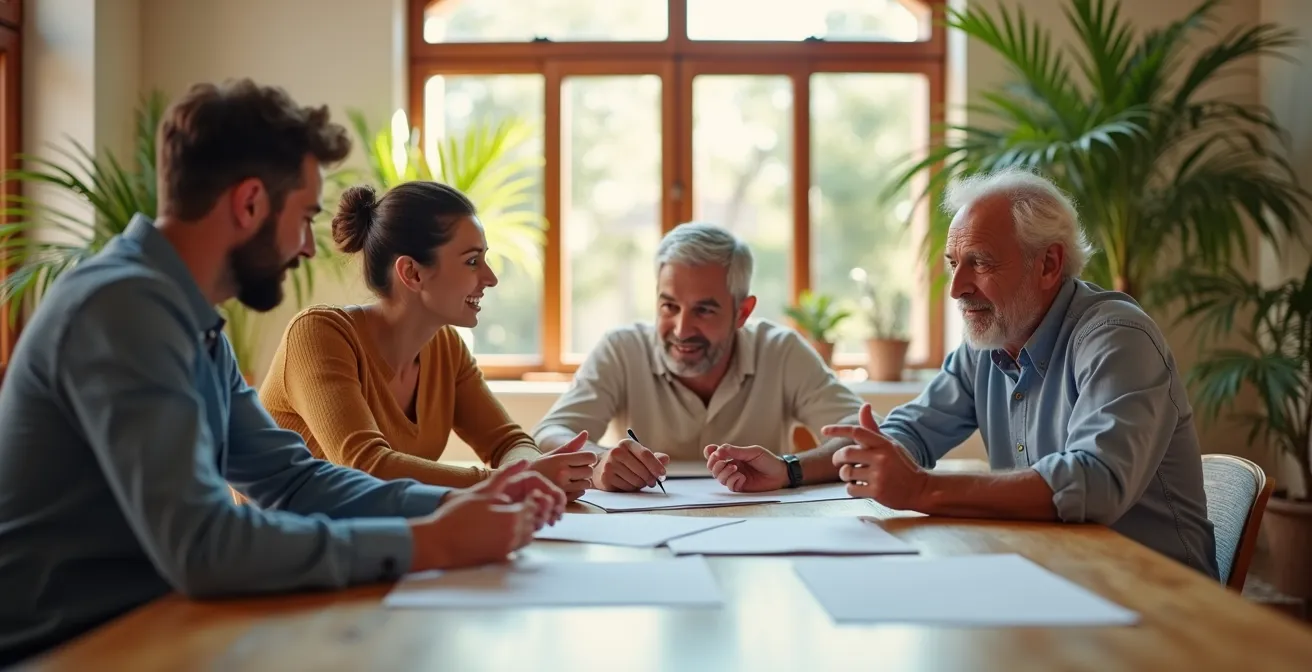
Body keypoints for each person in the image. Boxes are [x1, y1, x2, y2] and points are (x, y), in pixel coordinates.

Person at [0, 79, 565, 665]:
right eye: (304, 217)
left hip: (144, 629)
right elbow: (204, 545)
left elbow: (292, 479)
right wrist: (429, 541)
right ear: (249, 204)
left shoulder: (192, 323)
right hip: (62, 649)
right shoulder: (123, 310)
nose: (307, 248)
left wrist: (452, 505)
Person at [729, 168, 1219, 578]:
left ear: (1048, 264)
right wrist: (790, 470)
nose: (957, 288)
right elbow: (907, 434)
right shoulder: (989, 342)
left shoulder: (1116, 337)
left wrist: (921, 490)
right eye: (953, 263)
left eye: (979, 263)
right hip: (1054, 575)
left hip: (1158, 596)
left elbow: (1095, 483)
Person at [257, 182, 595, 499]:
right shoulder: (319, 334)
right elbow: (366, 467)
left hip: (372, 535)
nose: (490, 278)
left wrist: (527, 472)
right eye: (472, 261)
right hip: (283, 541)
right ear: (412, 273)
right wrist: (509, 481)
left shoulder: (446, 347)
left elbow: (509, 442)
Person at [532, 221, 867, 493]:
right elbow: (549, 433)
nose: (681, 329)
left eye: (704, 310)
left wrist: (789, 469)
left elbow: (866, 435)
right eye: (669, 306)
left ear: (742, 312)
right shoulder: (621, 349)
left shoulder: (781, 351)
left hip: (758, 529)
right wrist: (598, 462)